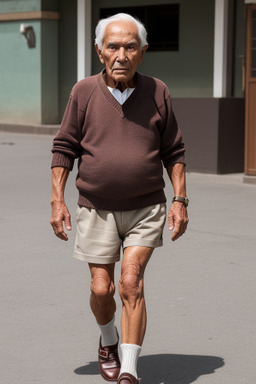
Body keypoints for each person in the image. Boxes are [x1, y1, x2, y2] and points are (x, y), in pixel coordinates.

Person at [50, 13, 189, 384]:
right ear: (99, 51)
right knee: (102, 289)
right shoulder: (83, 92)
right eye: (113, 46)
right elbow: (64, 147)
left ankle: (129, 370)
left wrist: (180, 200)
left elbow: (173, 151)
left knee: (130, 282)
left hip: (146, 207)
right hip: (95, 208)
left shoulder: (158, 91)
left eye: (130, 46)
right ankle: (108, 338)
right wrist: (57, 201)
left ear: (142, 53)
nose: (121, 54)